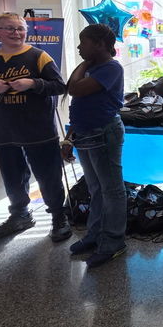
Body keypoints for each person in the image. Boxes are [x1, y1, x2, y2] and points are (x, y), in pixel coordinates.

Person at [0, 12, 71, 242]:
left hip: (39, 128)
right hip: (6, 129)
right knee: (12, 177)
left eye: (20, 28)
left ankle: (59, 216)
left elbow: (59, 86)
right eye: (9, 28)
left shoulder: (39, 56)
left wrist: (33, 83)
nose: (16, 33)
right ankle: (19, 215)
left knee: (48, 175)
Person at [62, 25, 127, 270]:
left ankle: (113, 241)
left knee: (111, 190)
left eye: (83, 42)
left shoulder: (111, 67)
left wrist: (84, 65)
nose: (79, 47)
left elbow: (75, 89)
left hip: (104, 133)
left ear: (100, 44)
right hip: (86, 133)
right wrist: (69, 137)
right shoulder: (94, 67)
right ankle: (95, 234)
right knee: (95, 188)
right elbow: (76, 102)